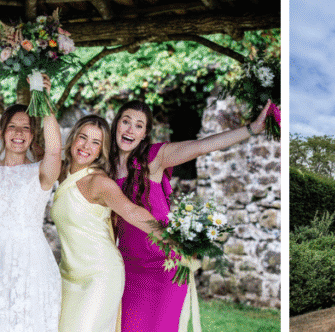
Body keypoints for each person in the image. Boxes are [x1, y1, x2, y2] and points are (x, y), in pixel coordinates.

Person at [110, 99, 273, 332]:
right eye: (126, 121)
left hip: (164, 268)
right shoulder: (104, 167)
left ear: (145, 134)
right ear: (116, 124)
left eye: (138, 125)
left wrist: (252, 129)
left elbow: (202, 146)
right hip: (126, 269)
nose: (130, 129)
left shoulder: (155, 158)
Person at [51, 115, 163, 332]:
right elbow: (48, 147)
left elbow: (131, 210)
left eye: (96, 142)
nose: (86, 146)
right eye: (82, 137)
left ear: (101, 150)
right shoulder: (62, 172)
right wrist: (43, 98)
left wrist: (170, 239)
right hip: (68, 276)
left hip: (100, 274)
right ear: (73, 138)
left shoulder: (99, 182)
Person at [0, 95, 61, 332]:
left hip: (33, 263)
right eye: (12, 127)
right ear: (1, 133)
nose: (19, 133)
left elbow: (53, 151)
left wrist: (44, 102)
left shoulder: (40, 173)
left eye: (25, 128)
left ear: (31, 136)